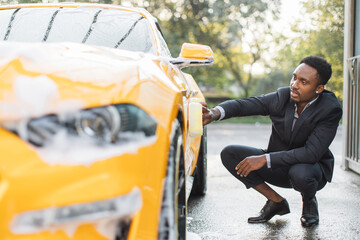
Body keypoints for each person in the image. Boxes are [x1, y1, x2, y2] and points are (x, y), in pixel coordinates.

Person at [202, 56, 342, 227]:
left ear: (319, 88)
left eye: (303, 82)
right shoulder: (283, 97)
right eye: (294, 77)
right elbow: (245, 105)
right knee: (230, 154)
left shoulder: (330, 109)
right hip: (279, 166)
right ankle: (276, 201)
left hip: (309, 171)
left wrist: (264, 159)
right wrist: (214, 113)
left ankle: (309, 201)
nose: (294, 84)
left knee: (301, 173)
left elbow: (310, 153)